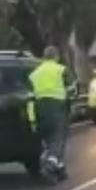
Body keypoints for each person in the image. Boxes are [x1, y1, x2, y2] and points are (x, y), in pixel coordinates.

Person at [29, 45, 71, 182]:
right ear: (56, 56)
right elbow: (72, 89)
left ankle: (60, 170)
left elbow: (29, 99)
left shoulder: (33, 75)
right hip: (57, 108)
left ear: (43, 57)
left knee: (48, 140)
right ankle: (49, 166)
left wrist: (32, 120)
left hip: (40, 110)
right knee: (58, 140)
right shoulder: (61, 70)